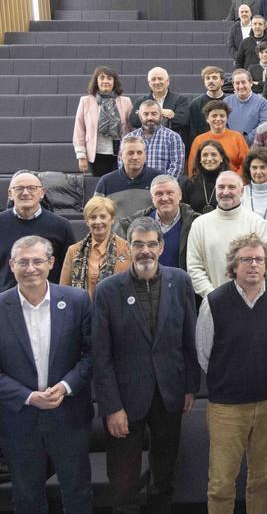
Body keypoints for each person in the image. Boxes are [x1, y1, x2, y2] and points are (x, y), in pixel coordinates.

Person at [0, 236, 93, 514]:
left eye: (37, 261)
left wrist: (64, 386)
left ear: (51, 263)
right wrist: (27, 397)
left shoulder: (77, 300)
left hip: (69, 416)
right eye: (23, 262)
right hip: (19, 420)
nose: (30, 268)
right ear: (11, 265)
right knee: (27, 497)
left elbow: (92, 354)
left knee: (77, 492)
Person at [92, 218, 199, 513]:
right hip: (125, 400)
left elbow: (188, 337)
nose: (145, 251)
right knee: (123, 482)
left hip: (170, 394)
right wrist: (111, 406)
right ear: (129, 247)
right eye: (138, 244)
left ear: (161, 247)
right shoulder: (107, 290)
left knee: (164, 475)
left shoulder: (180, 281)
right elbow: (100, 354)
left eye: (152, 244)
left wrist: (190, 386)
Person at [196, 233, 267, 513]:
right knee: (221, 483)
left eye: (259, 259)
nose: (253, 265)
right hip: (226, 407)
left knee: (262, 479)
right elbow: (204, 354)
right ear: (233, 265)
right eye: (246, 259)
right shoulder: (213, 302)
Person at [0, 171, 76, 299]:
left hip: (49, 302)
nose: (25, 193)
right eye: (19, 188)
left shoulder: (61, 226)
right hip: (4, 303)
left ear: (42, 193)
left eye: (32, 188)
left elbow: (71, 268)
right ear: (10, 194)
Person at [186, 171, 267, 297]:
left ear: (242, 191)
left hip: (250, 301)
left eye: (232, 187)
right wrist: (213, 296)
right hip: (212, 302)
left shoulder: (257, 222)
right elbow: (194, 267)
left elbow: (265, 263)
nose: (225, 192)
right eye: (221, 187)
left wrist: (246, 295)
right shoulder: (199, 224)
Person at [59, 195, 131, 298]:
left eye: (103, 216)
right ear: (87, 221)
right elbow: (64, 290)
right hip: (82, 312)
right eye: (93, 217)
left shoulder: (127, 249)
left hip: (117, 312)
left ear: (112, 219)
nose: (98, 221)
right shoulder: (73, 250)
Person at [74, 66, 133, 176]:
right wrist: (81, 155)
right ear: (96, 81)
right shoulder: (85, 101)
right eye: (102, 78)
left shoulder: (126, 102)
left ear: (114, 82)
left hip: (120, 154)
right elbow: (79, 129)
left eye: (109, 78)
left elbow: (131, 129)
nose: (105, 81)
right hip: (97, 155)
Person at [128, 67, 193, 148]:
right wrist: (161, 112)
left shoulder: (180, 100)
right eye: (153, 79)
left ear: (167, 81)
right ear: (149, 83)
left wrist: (146, 115)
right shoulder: (140, 101)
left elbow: (182, 120)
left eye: (160, 79)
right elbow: (134, 121)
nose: (157, 82)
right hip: (146, 146)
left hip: (171, 145)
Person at [187, 99, 248, 176]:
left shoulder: (237, 137)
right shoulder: (199, 140)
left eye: (222, 116)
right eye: (214, 116)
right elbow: (193, 167)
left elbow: (245, 164)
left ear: (227, 119)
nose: (218, 119)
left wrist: (234, 180)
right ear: (207, 119)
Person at [225, 69, 267, 144]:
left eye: (243, 82)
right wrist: (232, 139)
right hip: (231, 145)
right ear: (233, 85)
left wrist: (247, 139)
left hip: (254, 147)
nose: (240, 86)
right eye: (237, 83)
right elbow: (223, 123)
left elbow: (265, 124)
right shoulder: (226, 102)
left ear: (250, 83)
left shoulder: (262, 102)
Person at [182, 140, 229, 214]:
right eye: (205, 155)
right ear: (200, 159)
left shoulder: (230, 183)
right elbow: (185, 213)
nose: (209, 159)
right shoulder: (189, 183)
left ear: (221, 158)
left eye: (214, 154)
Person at [240, 146, 267, 221]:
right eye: (254, 167)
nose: (258, 172)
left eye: (262, 167)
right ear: (249, 169)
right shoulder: (241, 193)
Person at [189, 66, 228, 140]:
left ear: (222, 81)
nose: (211, 81)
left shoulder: (229, 101)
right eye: (207, 78)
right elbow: (192, 131)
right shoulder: (196, 104)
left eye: (214, 78)